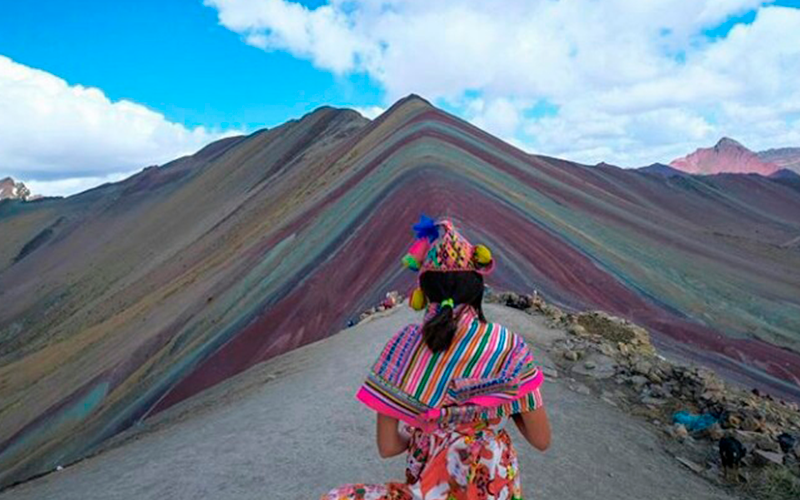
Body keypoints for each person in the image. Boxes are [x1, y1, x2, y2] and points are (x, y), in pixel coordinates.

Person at [321, 215, 551, 500]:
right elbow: (541, 440)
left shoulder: (403, 347)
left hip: (430, 485)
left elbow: (388, 446)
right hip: (492, 485)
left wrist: (429, 434)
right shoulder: (509, 347)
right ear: (478, 289)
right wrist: (503, 404)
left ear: (424, 291)